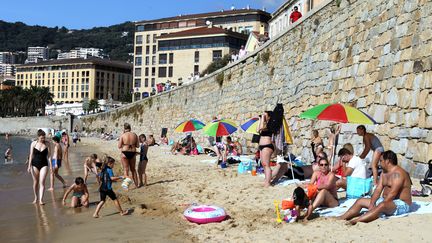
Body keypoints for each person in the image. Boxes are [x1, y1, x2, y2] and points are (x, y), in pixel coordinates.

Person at [338, 150, 412, 225]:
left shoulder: (398, 174)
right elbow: (378, 189)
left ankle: (356, 221)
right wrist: (372, 204)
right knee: (360, 201)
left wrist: (377, 206)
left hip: (401, 203)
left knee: (382, 205)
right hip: (385, 201)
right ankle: (342, 217)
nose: (379, 163)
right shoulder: (384, 172)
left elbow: (392, 194)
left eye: (381, 161)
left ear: (388, 161)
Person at [28, 129, 50, 205]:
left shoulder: (47, 144)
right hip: (34, 164)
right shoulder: (33, 144)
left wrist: (51, 165)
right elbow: (31, 155)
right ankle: (35, 197)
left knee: (42, 182)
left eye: (44, 137)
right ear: (38, 137)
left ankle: (41, 199)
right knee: (35, 182)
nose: (43, 139)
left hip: (44, 164)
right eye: (41, 138)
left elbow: (49, 156)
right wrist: (29, 166)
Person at [118, 123, 139, 188]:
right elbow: (138, 146)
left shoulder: (123, 135)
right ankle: (136, 185)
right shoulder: (135, 135)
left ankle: (126, 186)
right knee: (133, 170)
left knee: (126, 169)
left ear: (124, 129)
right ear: (130, 128)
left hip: (125, 152)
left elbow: (119, 146)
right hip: (133, 152)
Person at [257, 111, 275, 187]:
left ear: (269, 117)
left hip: (267, 146)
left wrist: (262, 119)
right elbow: (257, 130)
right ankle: (266, 180)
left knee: (266, 164)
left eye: (265, 115)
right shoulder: (264, 123)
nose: (263, 116)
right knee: (263, 165)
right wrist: (260, 119)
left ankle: (268, 182)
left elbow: (261, 128)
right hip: (262, 146)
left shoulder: (271, 124)